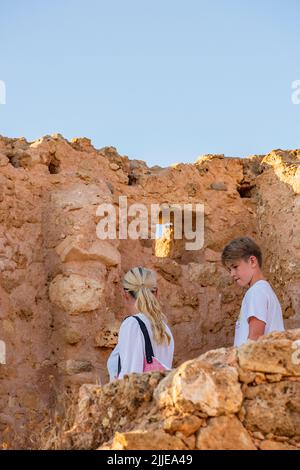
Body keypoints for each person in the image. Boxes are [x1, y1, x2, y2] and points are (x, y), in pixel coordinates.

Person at [107, 266, 174, 381]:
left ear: (125, 295)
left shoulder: (132, 324)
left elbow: (130, 375)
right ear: (157, 293)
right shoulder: (164, 328)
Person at [221, 236, 284, 347]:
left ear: (252, 261)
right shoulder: (263, 290)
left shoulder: (256, 292)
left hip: (254, 363)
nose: (232, 274)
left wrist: (236, 360)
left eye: (235, 267)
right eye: (229, 270)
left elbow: (255, 338)